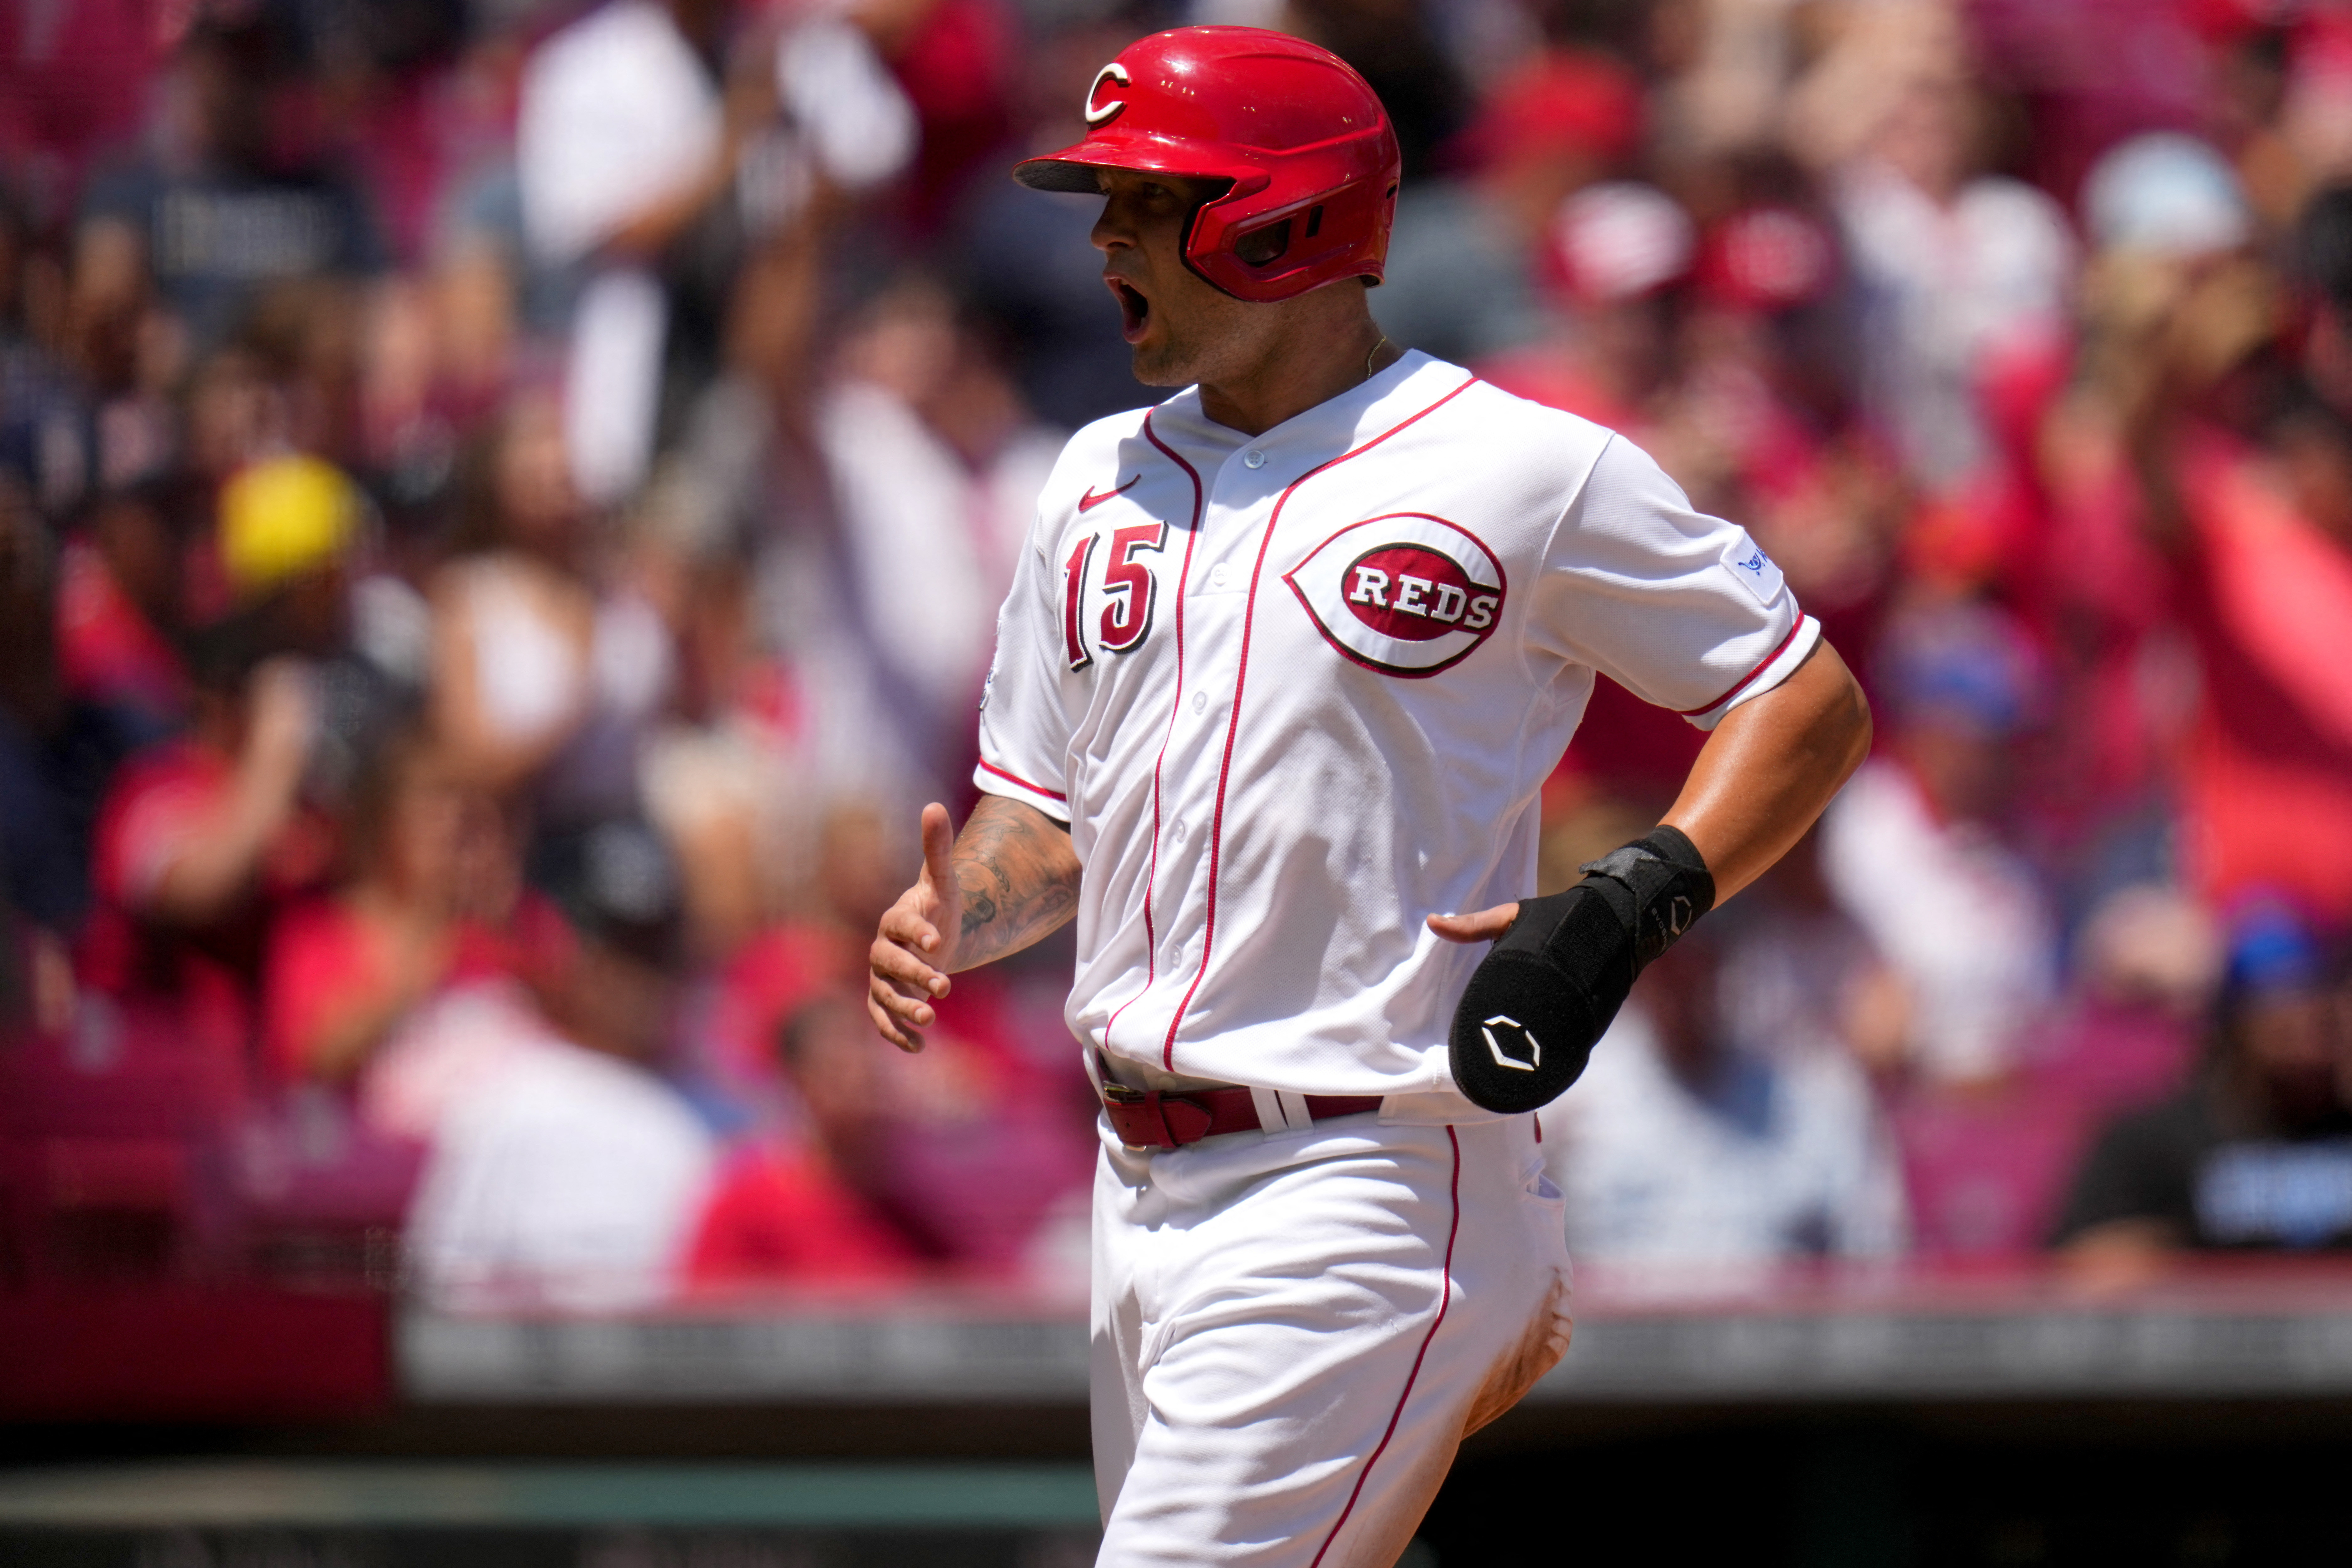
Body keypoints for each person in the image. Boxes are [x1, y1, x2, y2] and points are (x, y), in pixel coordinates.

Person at [864, 29, 1872, 1564]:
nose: (1104, 238)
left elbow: (1800, 698)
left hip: (1368, 1175)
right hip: (1138, 1184)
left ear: (1284, 220)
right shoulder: (1089, 478)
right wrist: (959, 908)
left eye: (1147, 202)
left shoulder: (1521, 466)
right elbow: (1043, 818)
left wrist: (1623, 905)